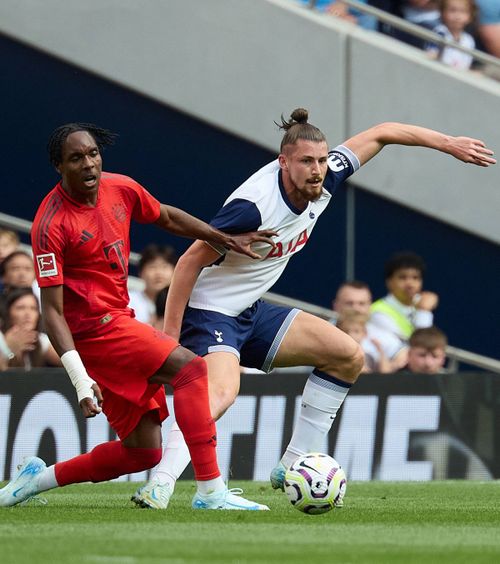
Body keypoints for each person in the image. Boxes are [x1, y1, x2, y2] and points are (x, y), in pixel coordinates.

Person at [132, 107, 495, 509]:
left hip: (249, 310)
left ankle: (290, 465)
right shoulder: (252, 208)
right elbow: (187, 263)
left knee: (346, 356)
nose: (318, 169)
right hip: (211, 311)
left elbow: (384, 131)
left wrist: (449, 144)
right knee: (221, 392)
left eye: (322, 160)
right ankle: (160, 484)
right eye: (307, 161)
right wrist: (169, 337)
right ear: (283, 162)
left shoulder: (325, 178)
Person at [0, 122, 276, 511]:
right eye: (76, 158)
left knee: (142, 452)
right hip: (94, 332)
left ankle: (34, 480)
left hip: (119, 319)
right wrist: (80, 380)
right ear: (58, 166)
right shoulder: (51, 224)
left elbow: (164, 216)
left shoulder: (120, 187)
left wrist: (223, 238)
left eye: (93, 154)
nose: (89, 164)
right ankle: (211, 491)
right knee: (192, 370)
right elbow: (52, 314)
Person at [332, 280, 408, 370]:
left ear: (369, 307)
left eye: (361, 304)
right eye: (349, 303)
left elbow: (405, 354)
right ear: (336, 305)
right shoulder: (323, 331)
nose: (356, 309)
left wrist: (387, 370)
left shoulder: (380, 334)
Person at [370, 251, 438, 346]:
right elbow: (420, 347)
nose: (410, 284)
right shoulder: (377, 313)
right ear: (389, 282)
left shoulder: (421, 302)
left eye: (415, 278)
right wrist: (424, 312)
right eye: (402, 277)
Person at [0, 287, 61, 370]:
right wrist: (7, 350)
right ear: (8, 313)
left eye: (33, 308)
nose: (28, 314)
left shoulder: (39, 339)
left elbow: (68, 360)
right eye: (20, 308)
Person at [128, 244, 177, 324]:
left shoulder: (181, 305)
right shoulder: (129, 301)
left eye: (164, 267)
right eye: (152, 267)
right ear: (141, 272)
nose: (159, 273)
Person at [426, 0, 477, 70]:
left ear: (470, 17)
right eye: (452, 11)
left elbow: (466, 65)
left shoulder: (469, 40)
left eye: (463, 11)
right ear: (442, 12)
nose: (457, 16)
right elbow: (431, 56)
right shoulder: (440, 32)